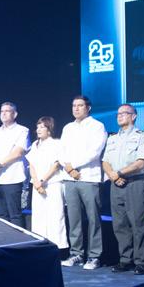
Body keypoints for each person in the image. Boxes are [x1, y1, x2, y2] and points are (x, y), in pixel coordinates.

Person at [103, 104, 144, 274]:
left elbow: (141, 162)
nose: (119, 116)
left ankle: (141, 262)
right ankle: (125, 260)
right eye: (118, 113)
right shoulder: (112, 138)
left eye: (124, 113)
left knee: (138, 223)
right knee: (119, 224)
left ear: (134, 116)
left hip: (135, 183)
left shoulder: (142, 136)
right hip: (115, 184)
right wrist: (112, 175)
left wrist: (119, 173)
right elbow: (105, 161)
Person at [60, 95, 108, 269]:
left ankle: (94, 256)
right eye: (74, 105)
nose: (76, 108)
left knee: (93, 218)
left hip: (88, 177)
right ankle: (76, 254)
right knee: (74, 219)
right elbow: (61, 151)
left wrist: (73, 166)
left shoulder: (97, 126)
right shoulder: (68, 127)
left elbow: (94, 152)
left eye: (80, 105)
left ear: (88, 108)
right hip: (69, 178)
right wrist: (68, 168)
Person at [26, 117, 69, 252]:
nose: (38, 130)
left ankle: (59, 248)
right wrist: (36, 182)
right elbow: (31, 165)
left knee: (55, 216)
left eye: (42, 127)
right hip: (37, 186)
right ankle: (40, 245)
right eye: (37, 127)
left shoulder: (56, 144)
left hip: (52, 184)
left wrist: (42, 181)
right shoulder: (35, 145)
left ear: (49, 129)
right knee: (38, 216)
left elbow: (56, 165)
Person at [0, 102, 29, 228]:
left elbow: (18, 152)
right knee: (1, 215)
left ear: (14, 114)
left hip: (13, 178)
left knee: (14, 214)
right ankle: (4, 239)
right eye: (2, 111)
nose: (3, 114)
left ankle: (18, 240)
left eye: (7, 111)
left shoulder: (22, 130)